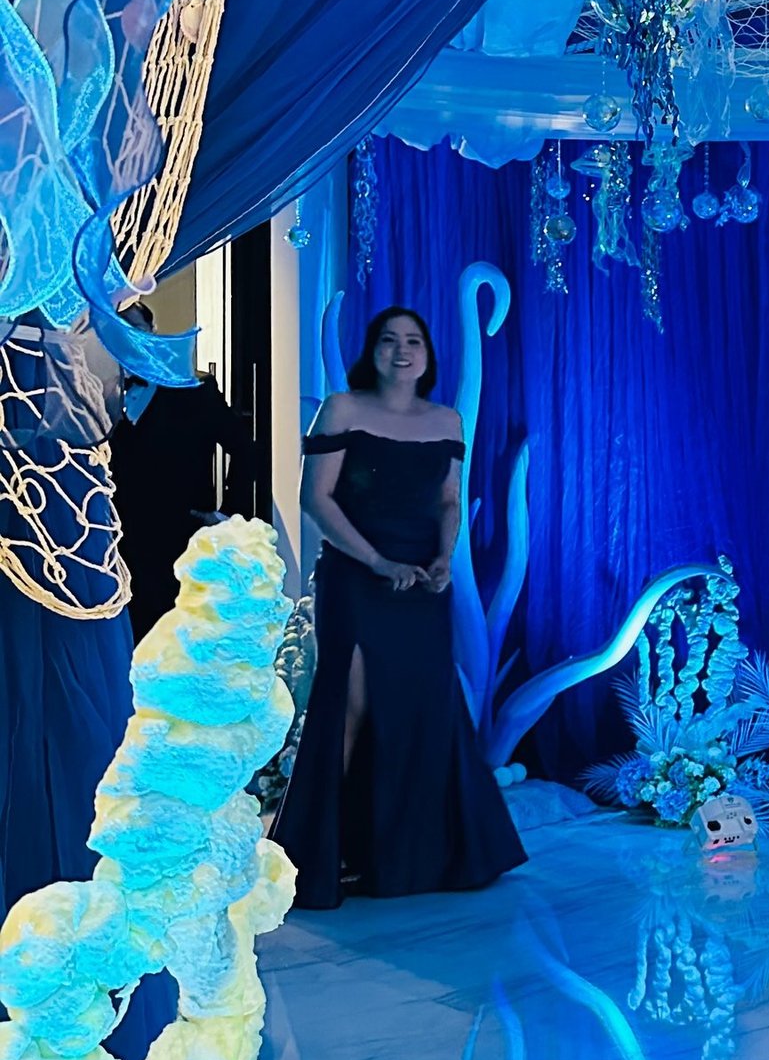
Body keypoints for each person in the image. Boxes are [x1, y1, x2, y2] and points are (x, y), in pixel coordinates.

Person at [274, 306, 524, 908]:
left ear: (428, 355)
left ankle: (408, 855)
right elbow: (317, 499)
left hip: (422, 586)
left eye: (414, 340)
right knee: (352, 707)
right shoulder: (342, 408)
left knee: (421, 710)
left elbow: (447, 502)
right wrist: (378, 563)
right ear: (374, 350)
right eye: (388, 339)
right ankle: (320, 855)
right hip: (358, 579)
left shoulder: (446, 420)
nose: (402, 350)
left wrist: (443, 560)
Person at [108, 305, 261, 639]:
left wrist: (227, 514)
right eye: (118, 325)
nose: (128, 334)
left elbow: (245, 451)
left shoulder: (194, 390)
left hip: (180, 538)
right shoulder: (95, 387)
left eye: (136, 326)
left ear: (152, 330)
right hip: (117, 541)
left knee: (177, 643)